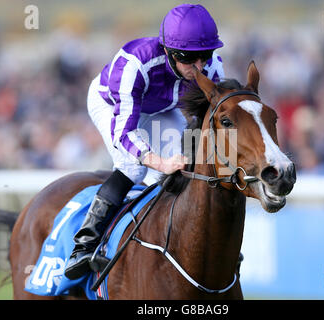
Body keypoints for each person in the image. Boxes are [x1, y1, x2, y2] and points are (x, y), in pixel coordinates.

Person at [64, 4, 225, 280]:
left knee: (189, 164)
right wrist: (161, 163)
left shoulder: (210, 69)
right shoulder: (134, 63)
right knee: (134, 167)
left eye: (205, 56)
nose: (199, 67)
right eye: (189, 59)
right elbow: (125, 133)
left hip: (162, 109)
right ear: (169, 51)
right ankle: (84, 245)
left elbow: (215, 122)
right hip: (111, 104)